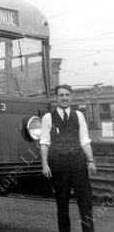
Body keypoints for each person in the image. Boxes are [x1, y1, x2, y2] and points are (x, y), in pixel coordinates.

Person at [40, 84, 97, 232]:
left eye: (67, 95)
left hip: (78, 162)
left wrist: (90, 160)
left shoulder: (79, 115)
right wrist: (45, 164)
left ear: (71, 97)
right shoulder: (48, 117)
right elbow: (45, 142)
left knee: (86, 202)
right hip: (58, 164)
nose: (64, 98)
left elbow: (84, 140)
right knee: (62, 204)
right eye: (61, 95)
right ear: (56, 97)